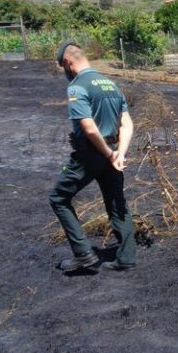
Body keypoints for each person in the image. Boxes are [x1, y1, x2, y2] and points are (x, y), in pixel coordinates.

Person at [49, 41, 136, 272]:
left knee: (58, 197)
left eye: (64, 67)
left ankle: (83, 254)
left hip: (91, 154)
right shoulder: (112, 85)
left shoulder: (77, 87)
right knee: (117, 202)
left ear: (68, 62)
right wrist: (119, 153)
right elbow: (127, 124)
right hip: (113, 151)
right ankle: (126, 257)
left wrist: (108, 153)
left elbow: (88, 128)